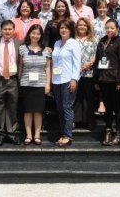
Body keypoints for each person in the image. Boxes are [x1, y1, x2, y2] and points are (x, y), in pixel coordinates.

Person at [93, 19, 120, 146]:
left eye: (112, 28)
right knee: (107, 109)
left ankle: (118, 134)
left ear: (117, 29)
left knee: (118, 109)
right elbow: (98, 60)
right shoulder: (102, 41)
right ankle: (108, 131)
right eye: (107, 28)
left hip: (115, 81)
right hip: (103, 79)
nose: (109, 30)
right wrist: (96, 79)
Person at [18, 24, 51, 145]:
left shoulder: (46, 50)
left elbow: (47, 68)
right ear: (29, 34)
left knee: (38, 110)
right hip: (26, 83)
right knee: (27, 110)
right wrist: (19, 82)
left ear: (41, 36)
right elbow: (21, 66)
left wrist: (47, 84)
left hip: (40, 84)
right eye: (33, 33)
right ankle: (28, 135)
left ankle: (37, 136)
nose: (35, 35)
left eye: (38, 34)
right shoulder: (22, 49)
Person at [0, 20, 22, 145]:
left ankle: (11, 132)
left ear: (13, 30)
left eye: (10, 29)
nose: (7, 31)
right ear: (1, 30)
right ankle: (0, 132)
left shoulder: (19, 43)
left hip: (13, 80)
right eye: (5, 29)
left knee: (12, 106)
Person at [51, 19, 82, 147]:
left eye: (66, 28)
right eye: (61, 28)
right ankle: (62, 133)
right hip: (56, 80)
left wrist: (74, 78)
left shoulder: (73, 43)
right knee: (59, 108)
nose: (63, 30)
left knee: (67, 107)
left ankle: (68, 136)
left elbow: (77, 62)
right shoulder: (57, 43)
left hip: (68, 80)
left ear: (70, 30)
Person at [74, 17, 98, 130]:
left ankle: (90, 121)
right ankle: (76, 120)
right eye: (80, 25)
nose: (82, 27)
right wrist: (77, 67)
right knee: (76, 97)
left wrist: (90, 63)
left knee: (89, 97)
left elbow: (96, 54)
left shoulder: (93, 39)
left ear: (88, 27)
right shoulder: (73, 39)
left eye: (84, 25)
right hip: (75, 73)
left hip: (89, 72)